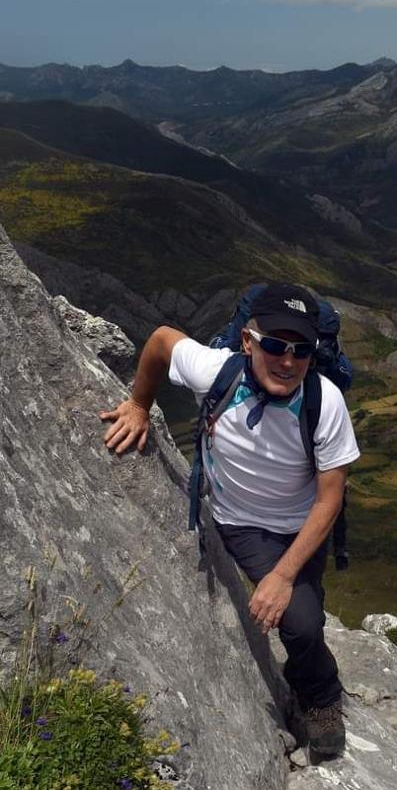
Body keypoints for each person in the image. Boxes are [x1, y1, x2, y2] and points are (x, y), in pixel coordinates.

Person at [100, 283, 360, 757]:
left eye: (301, 350)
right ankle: (320, 692)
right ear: (247, 342)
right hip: (240, 522)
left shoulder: (325, 402)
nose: (288, 360)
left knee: (303, 620)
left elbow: (329, 500)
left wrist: (283, 575)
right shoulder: (219, 372)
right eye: (275, 345)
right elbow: (160, 340)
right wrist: (139, 405)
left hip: (302, 526)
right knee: (301, 621)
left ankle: (319, 696)